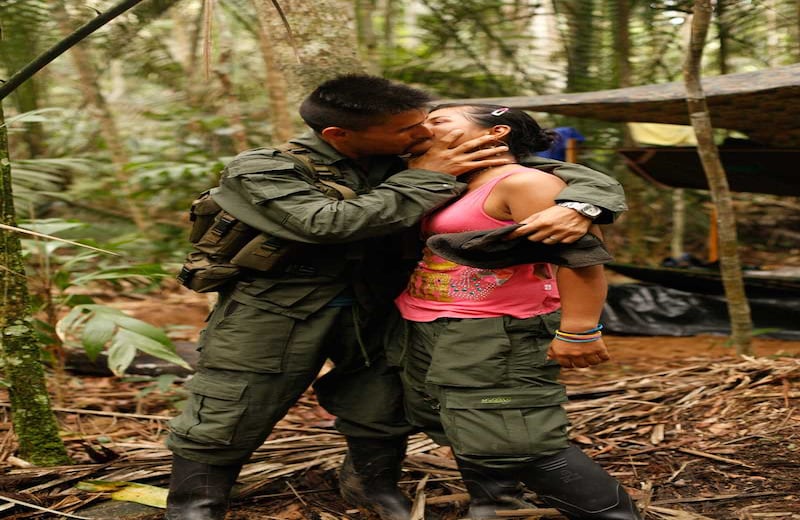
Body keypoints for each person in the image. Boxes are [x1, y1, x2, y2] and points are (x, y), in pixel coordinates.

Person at [165, 76, 628, 520]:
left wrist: (581, 205)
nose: (423, 132)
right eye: (409, 128)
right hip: (275, 308)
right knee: (231, 403)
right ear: (339, 134)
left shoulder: (407, 155)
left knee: (379, 403)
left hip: (380, 306)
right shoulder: (264, 168)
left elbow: (553, 171)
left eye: (426, 121)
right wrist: (426, 176)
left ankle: (372, 484)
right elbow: (326, 223)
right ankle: (195, 504)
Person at [393, 104, 642, 519]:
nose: (425, 127)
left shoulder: (524, 183)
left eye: (439, 120)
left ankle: (616, 516)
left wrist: (579, 329)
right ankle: (494, 505)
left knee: (521, 435)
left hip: (498, 329)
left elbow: (580, 259)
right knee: (465, 418)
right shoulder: (448, 181)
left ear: (496, 133)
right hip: (432, 321)